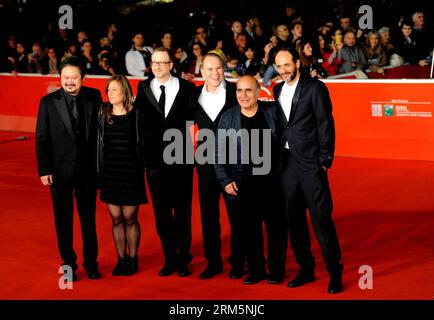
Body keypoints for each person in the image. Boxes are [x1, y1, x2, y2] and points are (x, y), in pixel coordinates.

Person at [273, 48, 343, 293]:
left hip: (312, 162)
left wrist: (325, 158)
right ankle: (306, 268)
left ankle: (334, 271)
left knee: (321, 218)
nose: (283, 70)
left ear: (297, 63)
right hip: (287, 163)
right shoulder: (277, 89)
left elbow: (326, 122)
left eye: (287, 65)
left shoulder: (315, 87)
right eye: (279, 66)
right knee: (294, 220)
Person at [215, 75, 287, 285]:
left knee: (276, 229)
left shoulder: (272, 112)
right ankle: (256, 269)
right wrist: (225, 180)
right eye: (239, 90)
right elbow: (218, 153)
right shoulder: (228, 118)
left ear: (258, 93)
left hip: (272, 181)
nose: (243, 95)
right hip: (243, 182)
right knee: (250, 230)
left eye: (248, 90)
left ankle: (276, 270)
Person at [36, 57, 102, 281]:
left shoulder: (94, 97)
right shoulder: (47, 102)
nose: (70, 82)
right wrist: (44, 170)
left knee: (88, 220)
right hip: (59, 172)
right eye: (66, 78)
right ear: (60, 78)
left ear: (83, 78)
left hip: (87, 172)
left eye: (74, 77)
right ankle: (69, 264)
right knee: (62, 221)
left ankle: (91, 263)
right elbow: (42, 139)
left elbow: (99, 135)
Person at [134, 47, 196, 277]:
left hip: (181, 158)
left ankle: (183, 258)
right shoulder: (143, 87)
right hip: (154, 162)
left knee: (182, 211)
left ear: (171, 64)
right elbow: (139, 122)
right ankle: (169, 257)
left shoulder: (187, 87)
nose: (158, 66)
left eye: (162, 62)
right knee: (161, 213)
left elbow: (193, 121)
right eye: (154, 62)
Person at [194, 53, 239, 279]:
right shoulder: (193, 96)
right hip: (205, 167)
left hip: (232, 166)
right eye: (210, 69)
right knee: (209, 218)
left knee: (237, 215)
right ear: (202, 72)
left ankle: (239, 262)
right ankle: (213, 262)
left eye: (219, 68)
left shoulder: (235, 92)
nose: (215, 73)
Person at [97, 75, 147, 276]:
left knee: (129, 217)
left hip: (131, 172)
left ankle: (133, 258)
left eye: (115, 90)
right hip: (110, 173)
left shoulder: (137, 114)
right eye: (108, 90)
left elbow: (144, 142)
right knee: (116, 218)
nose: (110, 94)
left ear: (125, 92)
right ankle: (121, 259)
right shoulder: (103, 112)